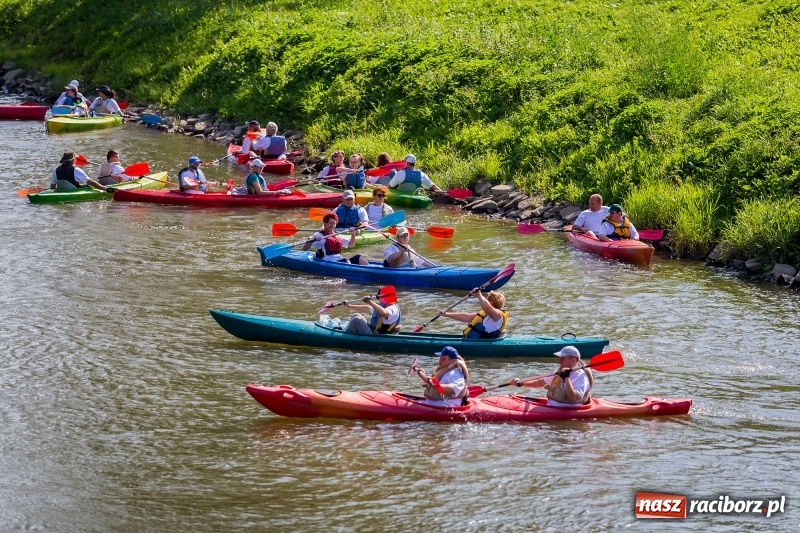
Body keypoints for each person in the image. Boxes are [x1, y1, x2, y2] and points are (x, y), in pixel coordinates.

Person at [513, 346, 593, 407]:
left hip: (565, 409)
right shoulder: (561, 372)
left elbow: (575, 399)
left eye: (562, 359)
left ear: (573, 361)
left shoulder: (581, 377)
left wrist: (566, 378)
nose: (559, 361)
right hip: (552, 406)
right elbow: (541, 382)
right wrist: (521, 383)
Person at [301, 211, 368, 265]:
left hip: (339, 260)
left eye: (334, 223)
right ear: (324, 223)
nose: (333, 226)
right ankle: (354, 271)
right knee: (346, 261)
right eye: (330, 223)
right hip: (328, 262)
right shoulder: (319, 235)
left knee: (359, 257)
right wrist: (312, 240)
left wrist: (352, 234)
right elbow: (305, 249)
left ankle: (368, 270)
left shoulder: (337, 234)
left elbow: (351, 245)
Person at [437, 289, 508, 338]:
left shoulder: (499, 315)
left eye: (487, 300)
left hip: (481, 342)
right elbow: (466, 316)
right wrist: (446, 314)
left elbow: (487, 308)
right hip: (471, 340)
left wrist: (479, 295)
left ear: (491, 302)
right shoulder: (485, 314)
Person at [337, 286, 402, 334]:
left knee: (356, 320)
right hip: (373, 333)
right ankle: (348, 332)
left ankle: (345, 336)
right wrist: (349, 306)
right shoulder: (384, 307)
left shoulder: (393, 308)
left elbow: (384, 313)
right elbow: (367, 308)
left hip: (379, 338)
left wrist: (370, 302)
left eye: (379, 298)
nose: (378, 300)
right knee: (356, 315)